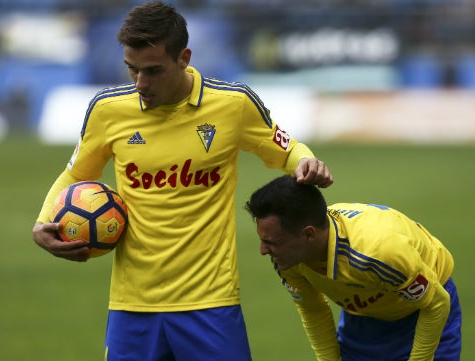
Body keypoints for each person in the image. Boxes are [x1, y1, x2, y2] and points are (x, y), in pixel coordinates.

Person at [31, 2, 333, 361]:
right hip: (133, 305)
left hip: (211, 302)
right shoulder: (107, 110)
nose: (140, 83)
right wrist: (42, 221)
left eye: (153, 70)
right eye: (132, 69)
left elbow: (286, 151)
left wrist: (306, 162)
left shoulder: (233, 105)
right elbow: (77, 174)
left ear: (184, 57)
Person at [245, 175, 461, 361]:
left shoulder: (378, 253)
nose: (263, 250)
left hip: (423, 312)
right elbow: (313, 310)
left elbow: (436, 303)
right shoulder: (287, 257)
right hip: (363, 318)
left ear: (309, 234)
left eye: (272, 242)